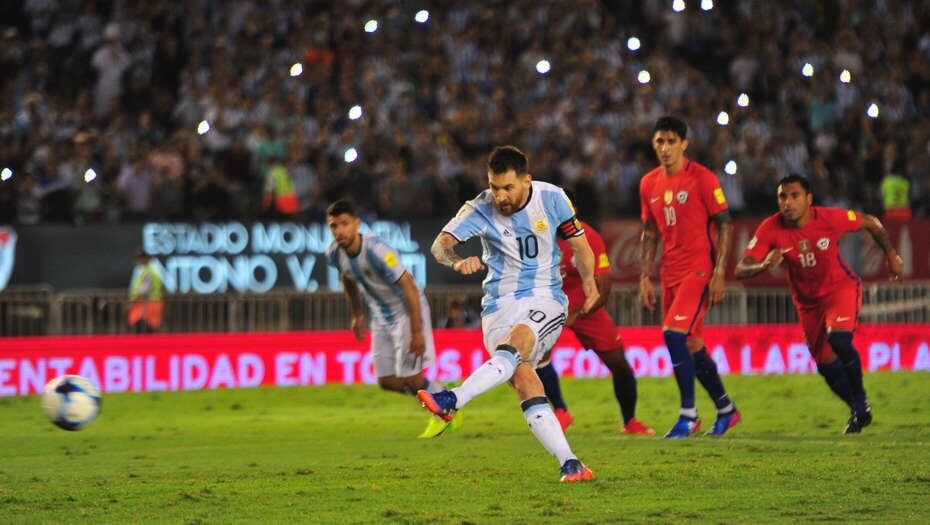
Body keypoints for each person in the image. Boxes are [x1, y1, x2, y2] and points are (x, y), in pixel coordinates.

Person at [419, 145, 597, 482]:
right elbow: (440, 245)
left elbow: (580, 246)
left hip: (546, 298)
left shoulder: (554, 198)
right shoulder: (480, 207)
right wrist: (456, 260)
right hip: (497, 306)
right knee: (524, 380)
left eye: (507, 188)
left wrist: (589, 284)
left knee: (518, 343)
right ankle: (571, 463)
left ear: (527, 181)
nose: (499, 196)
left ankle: (452, 398)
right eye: (494, 187)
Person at [735, 174, 903, 433]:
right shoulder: (770, 228)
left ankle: (860, 401)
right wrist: (763, 265)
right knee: (825, 365)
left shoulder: (829, 218)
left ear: (808, 199)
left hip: (840, 290)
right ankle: (859, 409)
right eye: (783, 196)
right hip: (808, 304)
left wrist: (891, 255)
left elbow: (871, 222)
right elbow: (740, 268)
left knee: (839, 340)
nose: (788, 203)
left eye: (794, 196)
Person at [639, 116, 741, 439]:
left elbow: (725, 224)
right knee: (693, 344)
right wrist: (645, 276)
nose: (665, 148)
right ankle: (726, 409)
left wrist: (720, 271)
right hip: (670, 272)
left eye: (671, 141)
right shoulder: (648, 184)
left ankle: (688, 415)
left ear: (684, 143)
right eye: (660, 141)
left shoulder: (702, 178)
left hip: (699, 270)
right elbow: (650, 232)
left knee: (673, 334)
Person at [325, 199, 454, 439]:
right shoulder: (334, 253)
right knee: (387, 381)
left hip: (406, 313)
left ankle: (444, 411)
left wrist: (417, 331)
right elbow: (347, 278)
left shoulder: (376, 250)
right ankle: (442, 395)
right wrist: (357, 314)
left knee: (412, 378)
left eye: (344, 224)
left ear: (356, 224)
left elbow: (409, 286)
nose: (339, 231)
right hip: (381, 318)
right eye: (333, 226)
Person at [535, 189, 655, 436]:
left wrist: (576, 315)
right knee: (538, 357)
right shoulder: (537, 240)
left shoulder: (588, 237)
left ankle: (630, 421)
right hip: (549, 307)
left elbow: (604, 287)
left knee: (618, 363)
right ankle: (560, 410)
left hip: (586, 307)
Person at [127, 251, 164, 333]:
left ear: (144, 259)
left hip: (146, 305)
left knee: (145, 330)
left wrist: (132, 302)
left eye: (139, 259)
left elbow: (143, 291)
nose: (137, 262)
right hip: (153, 303)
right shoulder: (155, 270)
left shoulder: (148, 272)